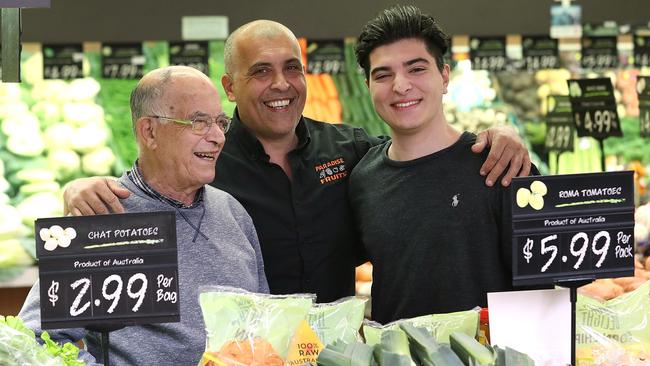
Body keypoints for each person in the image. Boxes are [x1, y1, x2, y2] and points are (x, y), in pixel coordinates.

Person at [62, 20, 532, 303]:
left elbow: (418, 156)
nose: (282, 84)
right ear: (231, 88)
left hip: (337, 350)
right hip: (248, 355)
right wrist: (80, 188)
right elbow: (150, 178)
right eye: (261, 71)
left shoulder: (352, 152)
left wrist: (497, 137)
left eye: (292, 68)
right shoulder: (207, 159)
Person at [19, 66, 269, 365]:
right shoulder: (103, 218)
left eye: (220, 122)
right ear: (149, 131)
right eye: (199, 122)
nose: (217, 137)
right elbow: (35, 340)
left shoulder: (232, 212)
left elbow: (262, 327)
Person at [349, 5, 536, 324]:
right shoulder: (362, 179)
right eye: (383, 74)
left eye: (416, 69)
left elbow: (543, 289)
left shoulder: (499, 165)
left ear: (445, 76)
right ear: (368, 86)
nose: (400, 85)